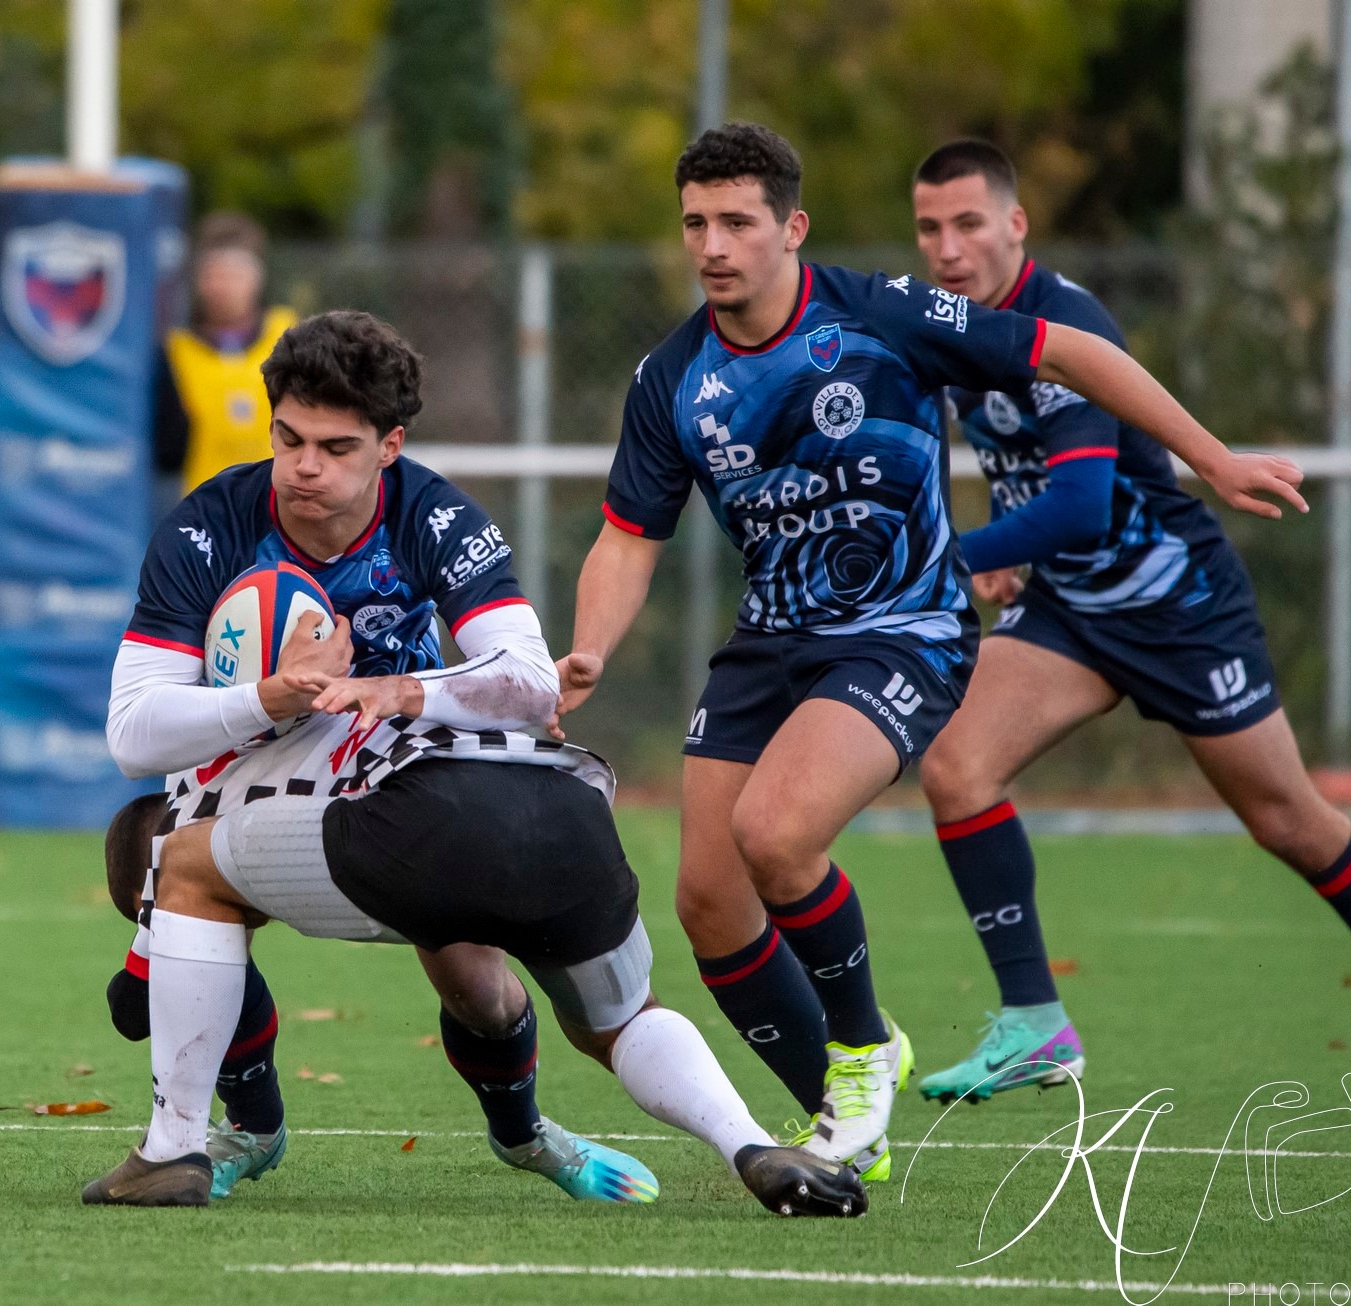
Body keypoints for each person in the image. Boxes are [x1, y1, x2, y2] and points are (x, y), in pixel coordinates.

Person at [549, 122, 1309, 1179]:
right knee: (709, 901)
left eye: (737, 221)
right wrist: (585, 650)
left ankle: (863, 1048)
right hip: (774, 639)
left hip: (903, 628)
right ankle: (839, 1117)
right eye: (694, 224)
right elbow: (630, 536)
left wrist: (1209, 455)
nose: (713, 244)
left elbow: (1071, 352)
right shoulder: (671, 375)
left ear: (791, 228)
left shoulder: (881, 313)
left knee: (778, 833)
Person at [906, 139, 1351, 1117]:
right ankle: (1033, 1020)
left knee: (1287, 821)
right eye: (929, 228)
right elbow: (1038, 492)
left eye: (968, 223)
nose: (948, 247)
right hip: (1074, 612)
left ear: (1015, 223)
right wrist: (1005, 548)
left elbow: (1082, 502)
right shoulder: (956, 327)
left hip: (1180, 606)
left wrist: (957, 553)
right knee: (955, 765)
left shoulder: (1066, 324)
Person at [105, 307, 577, 1197]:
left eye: (334, 446)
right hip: (244, 771)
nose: (304, 467)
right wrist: (269, 696)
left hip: (393, 772)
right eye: (288, 439)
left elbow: (529, 678)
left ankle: (523, 1135)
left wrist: (409, 692)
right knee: (153, 861)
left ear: (389, 445)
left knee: (476, 983)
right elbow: (132, 732)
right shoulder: (209, 526)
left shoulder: (435, 516)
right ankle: (248, 1128)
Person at [81, 703, 867, 1218]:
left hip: (422, 830)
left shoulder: (183, 824)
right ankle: (749, 1144)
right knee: (583, 1010)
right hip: (564, 806)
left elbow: (134, 1000)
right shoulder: (266, 719)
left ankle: (221, 1137)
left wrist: (151, 937)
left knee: (203, 908)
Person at [152, 212, 299, 494]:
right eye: (213, 275)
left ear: (257, 277)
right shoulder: (176, 350)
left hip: (279, 507)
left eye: (234, 275)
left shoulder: (289, 337)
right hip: (203, 509)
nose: (222, 287)